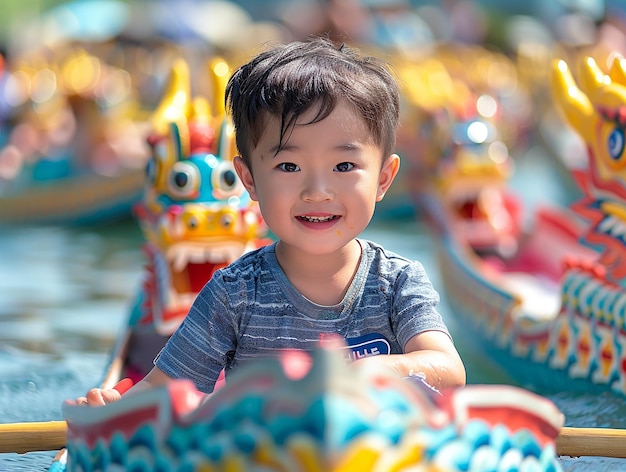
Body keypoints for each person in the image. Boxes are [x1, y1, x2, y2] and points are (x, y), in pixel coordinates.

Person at [73, 36, 465, 407]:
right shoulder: (232, 293)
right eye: (289, 165)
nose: (317, 191)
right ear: (249, 180)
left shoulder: (398, 282)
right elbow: (165, 389)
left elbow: (448, 369)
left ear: (383, 178)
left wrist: (375, 370)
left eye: (344, 166)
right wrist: (112, 409)